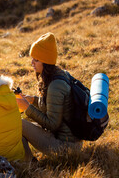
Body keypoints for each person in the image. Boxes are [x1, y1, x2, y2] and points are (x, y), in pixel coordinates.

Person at [16, 32, 82, 161]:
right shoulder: (59, 75)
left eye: (36, 60)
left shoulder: (55, 86)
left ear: (46, 62)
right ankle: (26, 160)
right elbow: (53, 107)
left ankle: (29, 164)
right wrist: (34, 100)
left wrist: (27, 108)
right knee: (22, 123)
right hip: (68, 141)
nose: (32, 63)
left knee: (18, 124)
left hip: (65, 147)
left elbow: (52, 124)